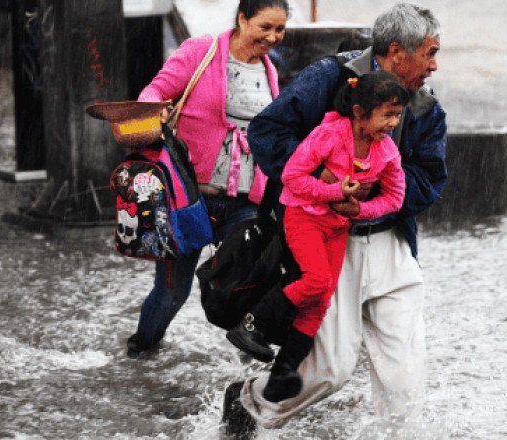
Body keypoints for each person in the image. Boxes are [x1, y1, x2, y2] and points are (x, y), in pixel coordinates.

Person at [222, 2, 446, 436]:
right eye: (430, 53)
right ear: (397, 51)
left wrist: (374, 196)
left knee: (405, 380)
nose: (435, 66)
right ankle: (249, 402)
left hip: (391, 240)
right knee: (330, 370)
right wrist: (321, 178)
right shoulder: (327, 79)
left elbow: (429, 179)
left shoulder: (426, 108)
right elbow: (268, 133)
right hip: (327, 239)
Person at [225, 71, 409, 403]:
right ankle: (252, 324)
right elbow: (292, 176)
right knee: (318, 280)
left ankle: (284, 371)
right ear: (359, 113)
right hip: (303, 216)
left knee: (320, 300)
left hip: (337, 225)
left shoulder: (387, 152)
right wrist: (332, 191)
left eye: (397, 115)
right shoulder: (329, 134)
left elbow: (395, 199)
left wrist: (358, 211)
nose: (392, 123)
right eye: (386, 115)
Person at [126, 0, 289, 358]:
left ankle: (251, 369)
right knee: (171, 292)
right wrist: (156, 110)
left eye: (279, 29)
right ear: (243, 18)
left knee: (250, 281)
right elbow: (154, 92)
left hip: (245, 201)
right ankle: (141, 351)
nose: (272, 37)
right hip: (189, 200)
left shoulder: (269, 69)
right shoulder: (202, 51)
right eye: (265, 27)